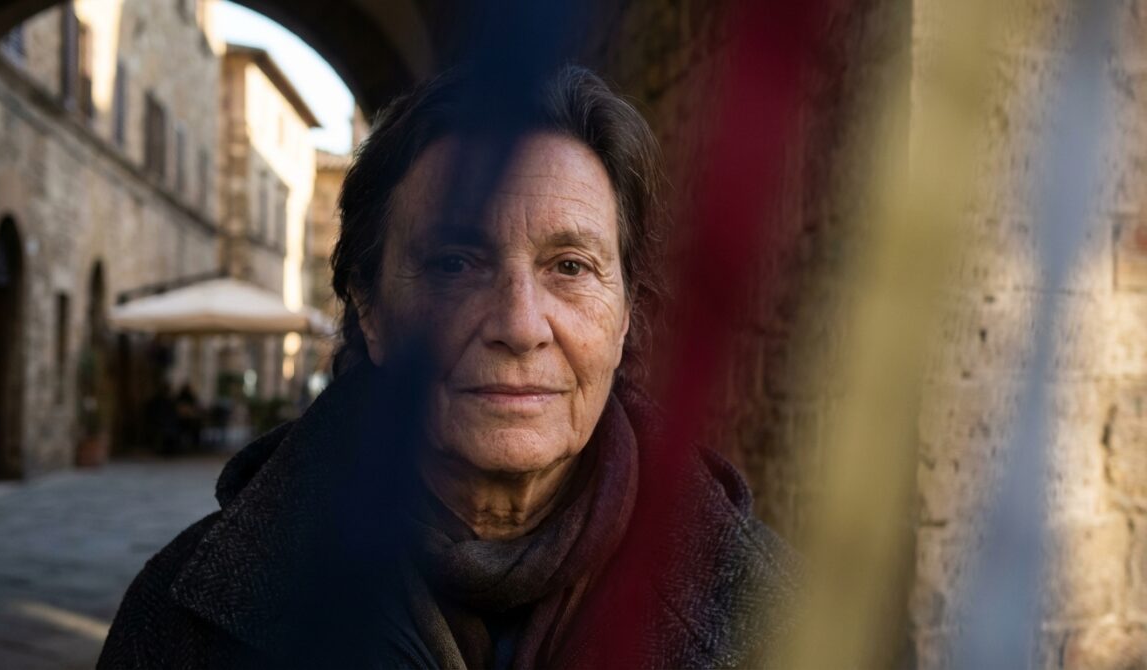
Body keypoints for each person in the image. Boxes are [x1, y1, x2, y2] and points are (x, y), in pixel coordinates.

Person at [99, 66, 798, 669]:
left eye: (570, 267)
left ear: (624, 318)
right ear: (371, 310)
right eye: (455, 264)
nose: (519, 326)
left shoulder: (771, 616)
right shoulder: (181, 625)